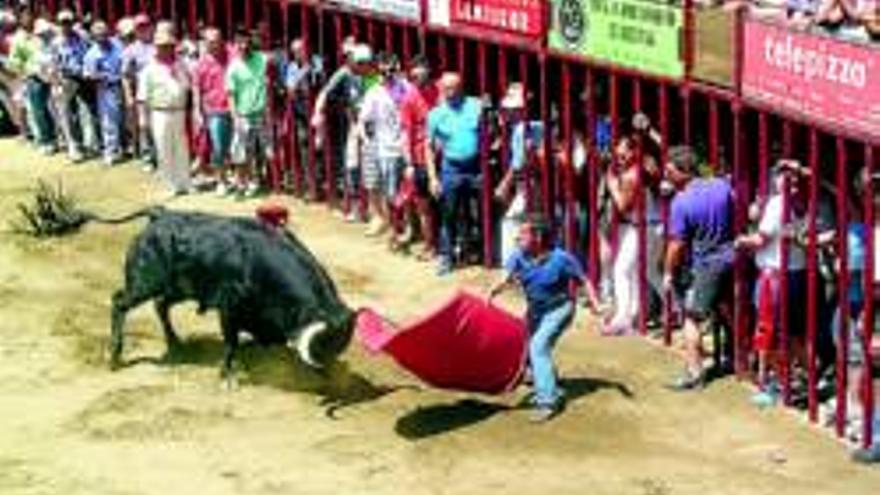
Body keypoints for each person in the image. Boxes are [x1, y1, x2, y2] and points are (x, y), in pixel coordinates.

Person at [487, 218, 601, 422]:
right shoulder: (518, 256)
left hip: (559, 310)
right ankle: (547, 378)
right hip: (535, 311)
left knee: (538, 347)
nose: (517, 237)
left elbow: (583, 280)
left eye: (523, 234)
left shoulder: (562, 258)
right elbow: (507, 277)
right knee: (525, 344)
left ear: (538, 237)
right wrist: (494, 291)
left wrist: (595, 304)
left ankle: (547, 401)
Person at [735, 160, 810, 407]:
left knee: (770, 331)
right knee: (794, 333)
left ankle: (776, 384)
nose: (776, 178)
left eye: (780, 175)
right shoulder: (805, 200)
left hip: (775, 275)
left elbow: (761, 240)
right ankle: (805, 380)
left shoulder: (778, 204)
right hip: (798, 273)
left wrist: (739, 241)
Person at [663, 145, 736, 390]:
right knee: (728, 312)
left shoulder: (680, 202)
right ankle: (734, 358)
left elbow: (676, 244)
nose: (666, 174)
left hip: (705, 266)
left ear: (684, 171)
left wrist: (667, 271)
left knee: (692, 318)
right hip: (731, 258)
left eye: (670, 170)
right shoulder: (721, 185)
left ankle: (694, 374)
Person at [427, 72, 484, 276]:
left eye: (453, 88)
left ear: (462, 88)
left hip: (476, 167)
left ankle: (482, 252)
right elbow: (429, 147)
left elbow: (491, 129)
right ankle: (446, 256)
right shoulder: (435, 114)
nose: (449, 93)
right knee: (448, 214)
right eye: (446, 88)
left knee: (482, 211)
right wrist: (433, 178)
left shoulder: (476, 106)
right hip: (451, 169)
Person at [311, 40, 373, 221]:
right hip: (355, 126)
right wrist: (318, 113)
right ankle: (357, 207)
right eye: (354, 60)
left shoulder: (374, 76)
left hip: (374, 128)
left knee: (370, 167)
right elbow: (324, 93)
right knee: (352, 165)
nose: (356, 64)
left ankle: (375, 210)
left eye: (362, 62)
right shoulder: (344, 74)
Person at [357, 51, 407, 242]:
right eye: (384, 71)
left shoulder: (406, 89)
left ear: (398, 69)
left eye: (391, 70)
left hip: (406, 150)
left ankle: (406, 228)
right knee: (391, 192)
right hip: (386, 150)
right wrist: (367, 140)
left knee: (407, 193)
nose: (388, 75)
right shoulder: (375, 92)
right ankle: (394, 229)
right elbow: (363, 120)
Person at [138, 22, 191, 195]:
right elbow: (142, 97)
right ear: (156, 48)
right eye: (163, 46)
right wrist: (142, 119)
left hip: (179, 110)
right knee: (163, 148)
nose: (167, 49)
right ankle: (170, 184)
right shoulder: (149, 69)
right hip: (159, 112)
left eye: (169, 46)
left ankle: (185, 182)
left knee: (181, 148)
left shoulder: (181, 64)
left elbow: (188, 86)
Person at [398, 54, 439, 260]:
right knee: (424, 206)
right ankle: (429, 245)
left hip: (442, 157)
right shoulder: (409, 98)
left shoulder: (439, 90)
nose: (418, 78)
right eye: (415, 75)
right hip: (420, 159)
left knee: (442, 205)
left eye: (422, 73)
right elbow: (406, 133)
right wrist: (409, 163)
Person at [226, 28, 272, 197]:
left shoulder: (262, 58)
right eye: (240, 43)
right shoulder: (233, 67)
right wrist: (235, 117)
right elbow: (230, 95)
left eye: (246, 42)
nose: (243, 46)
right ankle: (241, 184)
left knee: (261, 151)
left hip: (262, 113)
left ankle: (255, 182)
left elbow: (276, 58)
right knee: (239, 151)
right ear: (235, 45)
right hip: (243, 115)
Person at [8, 8, 55, 154]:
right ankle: (47, 140)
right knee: (38, 111)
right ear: (19, 19)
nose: (28, 18)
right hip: (34, 78)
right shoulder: (17, 39)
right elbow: (14, 62)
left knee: (56, 110)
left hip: (53, 75)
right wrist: (25, 75)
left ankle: (60, 137)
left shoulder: (43, 29)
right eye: (24, 16)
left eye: (29, 15)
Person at [193, 27, 232, 195]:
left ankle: (234, 177)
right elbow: (196, 88)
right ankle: (221, 181)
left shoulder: (231, 55)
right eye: (209, 41)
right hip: (214, 110)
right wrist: (197, 111)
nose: (213, 44)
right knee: (218, 147)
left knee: (234, 146)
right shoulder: (201, 63)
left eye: (216, 40)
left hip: (234, 108)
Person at [50, 9, 92, 163]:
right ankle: (74, 147)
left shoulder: (83, 37)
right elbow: (53, 63)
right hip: (66, 79)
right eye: (63, 23)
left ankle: (90, 144)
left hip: (84, 78)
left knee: (88, 112)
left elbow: (90, 53)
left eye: (68, 22)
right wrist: (56, 82)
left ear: (72, 22)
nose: (66, 25)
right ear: (59, 24)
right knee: (67, 114)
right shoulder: (56, 42)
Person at [283, 37, 322, 197]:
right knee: (305, 146)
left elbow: (320, 79)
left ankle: (321, 181)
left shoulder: (317, 61)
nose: (298, 54)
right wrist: (304, 71)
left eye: (300, 50)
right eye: (295, 51)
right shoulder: (292, 67)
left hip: (320, 113)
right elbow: (290, 89)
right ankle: (310, 183)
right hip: (301, 114)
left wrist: (310, 69)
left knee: (320, 147)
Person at [83, 19, 125, 166]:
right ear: (93, 37)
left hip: (123, 84)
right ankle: (110, 152)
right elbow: (87, 75)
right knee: (109, 122)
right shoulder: (91, 54)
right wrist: (98, 76)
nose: (103, 37)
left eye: (105, 34)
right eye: (99, 35)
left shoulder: (117, 44)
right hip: (106, 89)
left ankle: (125, 148)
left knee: (123, 119)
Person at [121, 13, 154, 169]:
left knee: (158, 126)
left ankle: (160, 156)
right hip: (142, 94)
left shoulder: (158, 45)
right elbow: (126, 75)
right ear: (135, 29)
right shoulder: (130, 50)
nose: (144, 29)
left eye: (146, 25)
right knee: (144, 125)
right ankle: (147, 156)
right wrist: (128, 95)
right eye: (140, 26)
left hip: (160, 93)